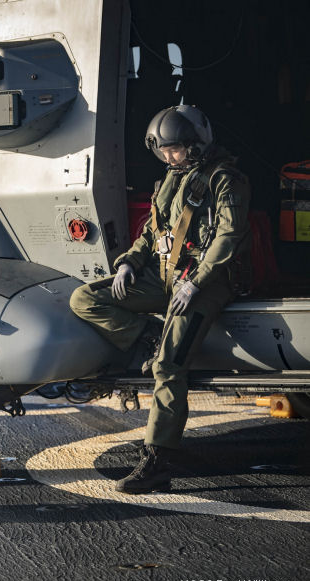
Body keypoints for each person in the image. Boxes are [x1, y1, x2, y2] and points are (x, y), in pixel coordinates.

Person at [69, 105, 251, 494]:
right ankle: (149, 335)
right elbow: (152, 234)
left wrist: (197, 282)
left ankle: (158, 460)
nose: (169, 157)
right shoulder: (171, 180)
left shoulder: (225, 181)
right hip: (166, 276)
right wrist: (129, 264)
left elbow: (228, 237)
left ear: (196, 144)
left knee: (168, 367)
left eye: (175, 150)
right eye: (163, 151)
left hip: (208, 282)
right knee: (86, 298)